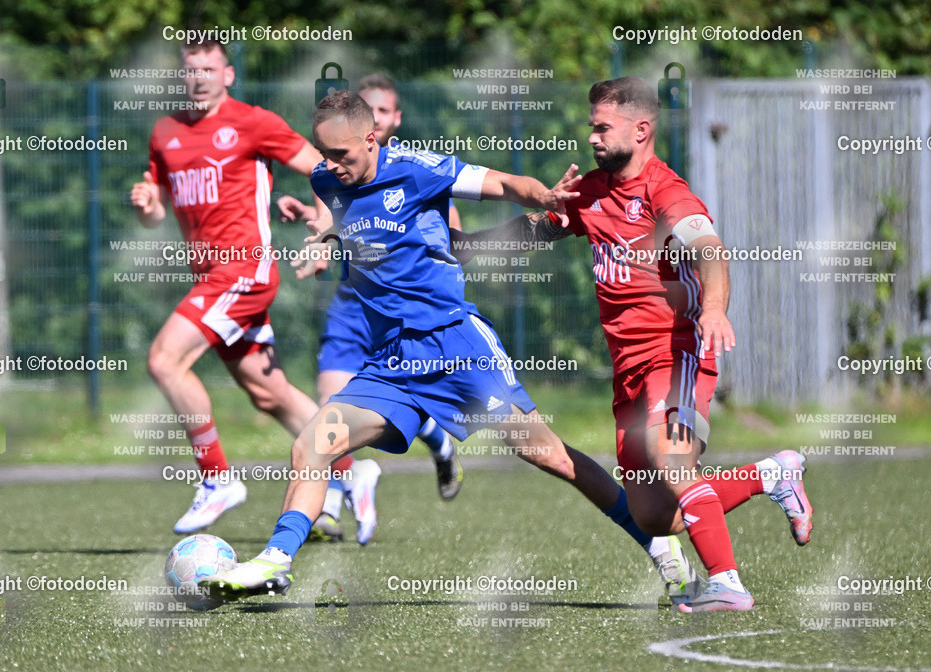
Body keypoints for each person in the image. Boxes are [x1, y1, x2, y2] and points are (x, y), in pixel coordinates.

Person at [200, 90, 702, 602]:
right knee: (312, 445)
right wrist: (328, 237)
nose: (329, 164)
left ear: (371, 139)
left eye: (340, 154)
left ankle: (658, 544)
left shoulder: (417, 169)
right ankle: (275, 561)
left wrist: (544, 197)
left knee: (549, 455)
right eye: (323, 153)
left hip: (455, 346)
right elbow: (347, 216)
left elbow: (501, 183)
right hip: (390, 361)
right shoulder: (327, 180)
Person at [452, 76, 814, 612]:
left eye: (603, 127)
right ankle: (770, 475)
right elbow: (537, 228)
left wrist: (714, 308)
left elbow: (710, 250)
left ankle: (727, 584)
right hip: (629, 371)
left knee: (671, 458)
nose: (592, 136)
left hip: (677, 351)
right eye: (591, 126)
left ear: (641, 130)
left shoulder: (666, 192)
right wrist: (468, 246)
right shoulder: (591, 190)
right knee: (655, 516)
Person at [129, 40, 378, 535]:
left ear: (227, 75)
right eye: (191, 70)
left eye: (209, 69)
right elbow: (156, 210)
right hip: (212, 278)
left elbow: (322, 167)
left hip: (243, 271)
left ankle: (217, 479)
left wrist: (325, 235)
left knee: (164, 360)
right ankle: (352, 471)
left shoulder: (253, 122)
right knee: (270, 394)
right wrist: (146, 205)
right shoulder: (165, 132)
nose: (199, 78)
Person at [277, 74, 463, 545]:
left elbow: (452, 240)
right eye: (369, 109)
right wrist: (318, 233)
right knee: (330, 405)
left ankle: (435, 439)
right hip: (352, 304)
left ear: (389, 123)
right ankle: (330, 505)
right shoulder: (337, 172)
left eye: (383, 111)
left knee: (396, 403)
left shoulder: (418, 172)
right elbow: (332, 218)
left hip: (407, 318)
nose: (375, 118)